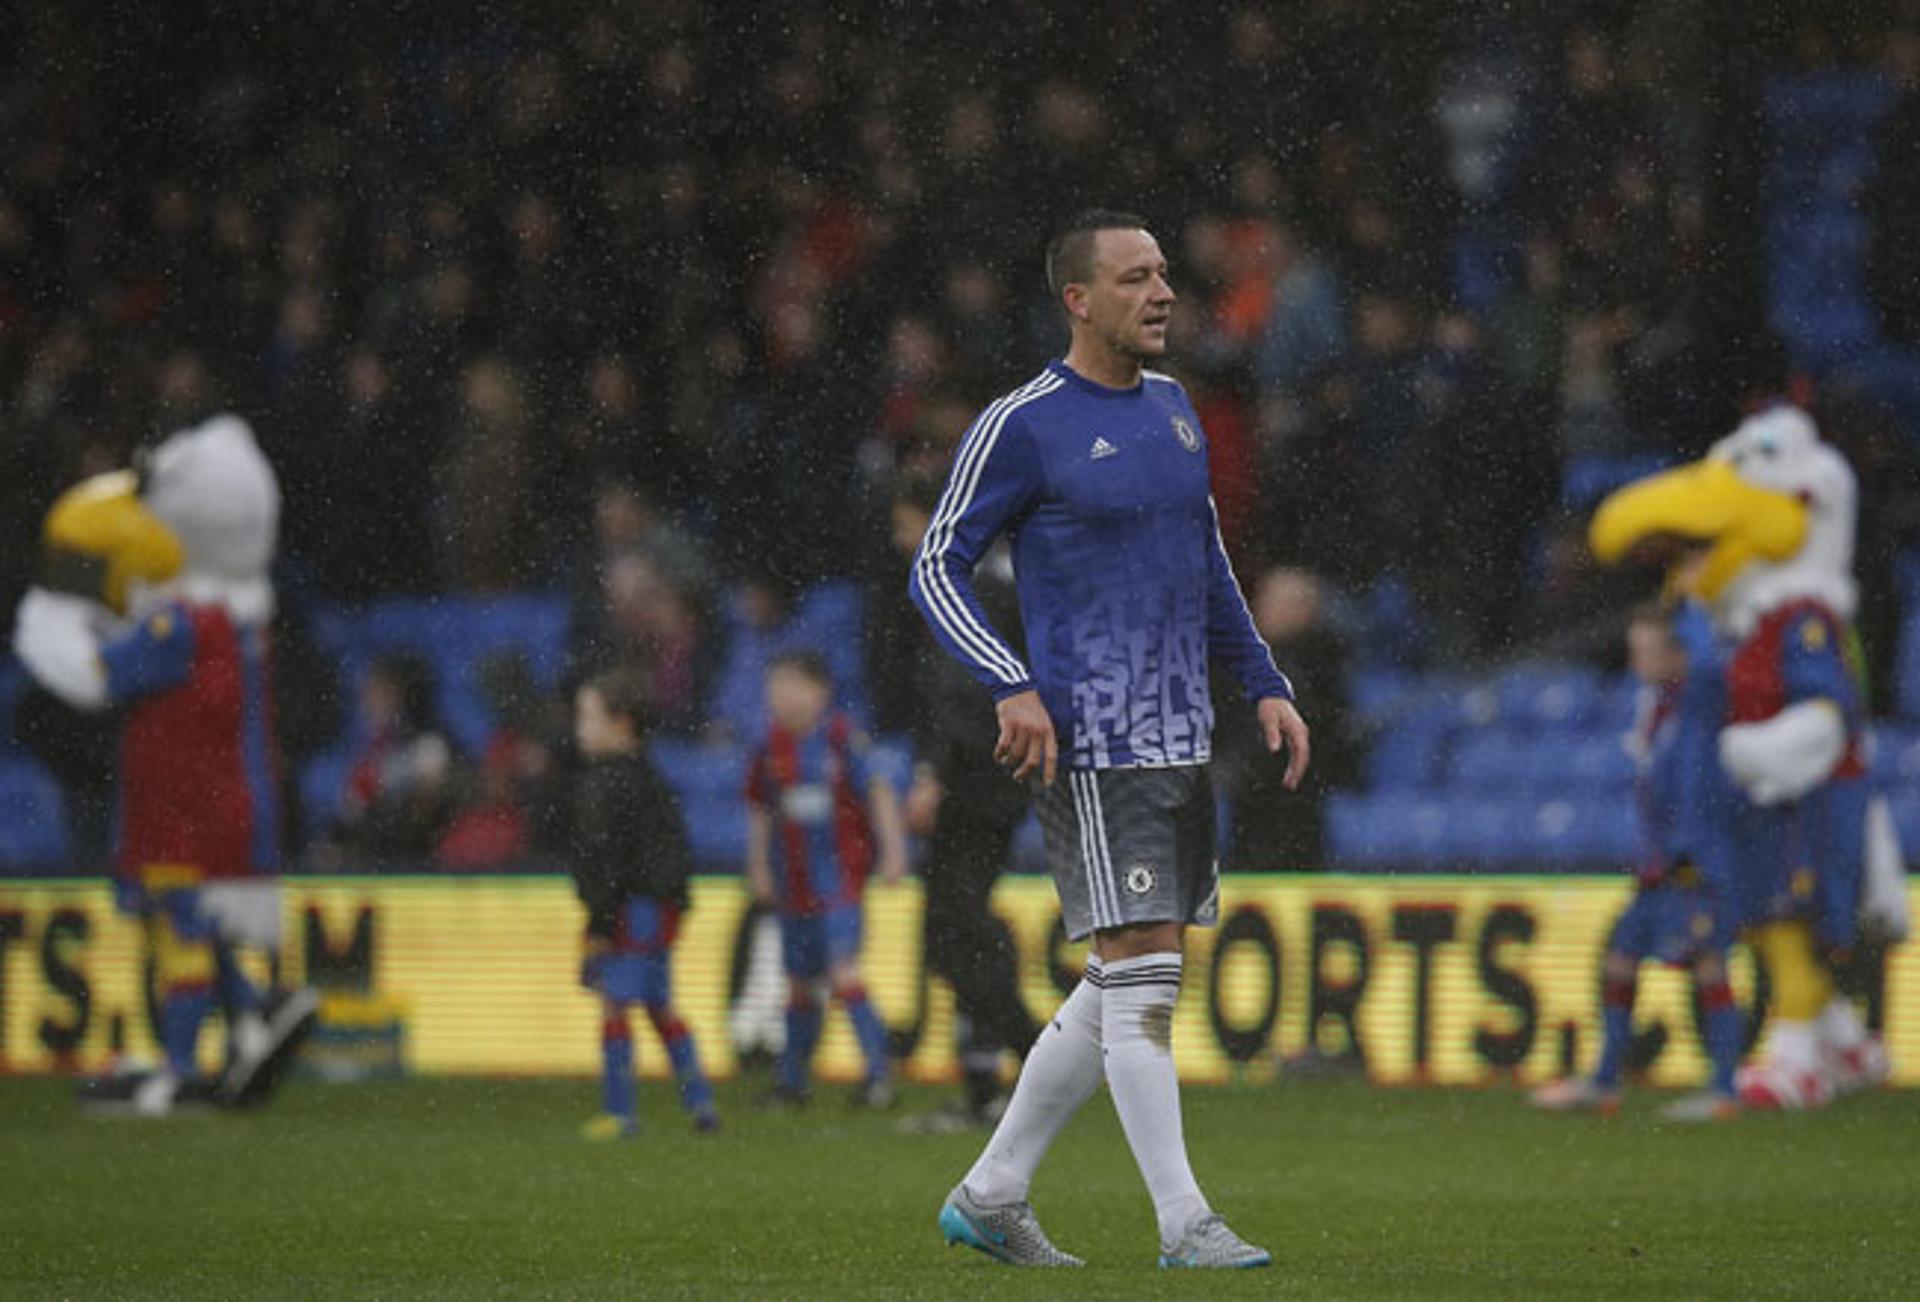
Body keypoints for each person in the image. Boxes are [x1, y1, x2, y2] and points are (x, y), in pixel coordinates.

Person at [911, 210, 1310, 1269]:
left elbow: (1207, 562)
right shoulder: (1025, 423)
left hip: (1182, 732)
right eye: (1136, 278)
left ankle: (992, 1192)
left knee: (1132, 974)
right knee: (1142, 974)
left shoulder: (1179, 411)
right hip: (1092, 739)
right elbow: (935, 564)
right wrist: (1011, 683)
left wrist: (1264, 681)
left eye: (1165, 274)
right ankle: (1185, 1222)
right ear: (1078, 299)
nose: (1164, 292)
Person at [11, 416, 317, 1114]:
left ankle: (179, 1066)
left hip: (183, 805)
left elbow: (96, 679)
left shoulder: (179, 621)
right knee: (201, 930)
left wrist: (46, 631)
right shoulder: (239, 619)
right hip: (218, 796)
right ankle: (252, 1020)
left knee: (178, 931)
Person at [1529, 602, 1744, 1122]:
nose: (1636, 661)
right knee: (1621, 958)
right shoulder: (1660, 707)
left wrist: (1691, 603)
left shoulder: (1700, 698)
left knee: (1708, 963)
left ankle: (1723, 1090)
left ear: (1678, 652)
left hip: (1694, 864)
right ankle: (1604, 1082)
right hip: (1658, 864)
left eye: (1645, 650)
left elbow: (1697, 782)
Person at [888, 470, 1041, 1131]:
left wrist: (931, 773)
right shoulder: (1005, 577)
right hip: (1002, 776)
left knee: (950, 939)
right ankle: (987, 1086)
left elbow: (957, 694)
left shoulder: (966, 585)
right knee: (969, 930)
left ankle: (1038, 1058)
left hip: (974, 780)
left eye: (904, 528)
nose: (901, 543)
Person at [744, 650, 910, 1108]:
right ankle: (792, 1082)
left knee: (843, 973)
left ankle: (879, 1076)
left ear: (821, 692)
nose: (783, 696)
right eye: (776, 686)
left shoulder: (841, 741)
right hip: (791, 884)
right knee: (798, 983)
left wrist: (893, 852)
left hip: (839, 883)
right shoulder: (768, 747)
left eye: (794, 686)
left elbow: (878, 794)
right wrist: (758, 866)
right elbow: (760, 810)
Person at [568, 669, 719, 1137]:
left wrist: (598, 918)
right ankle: (700, 1104)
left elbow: (601, 857)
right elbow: (675, 851)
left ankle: (621, 1113)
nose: (580, 728)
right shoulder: (654, 779)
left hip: (627, 910)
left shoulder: (604, 783)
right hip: (658, 908)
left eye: (588, 716)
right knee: (659, 1007)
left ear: (623, 723)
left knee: (615, 1006)